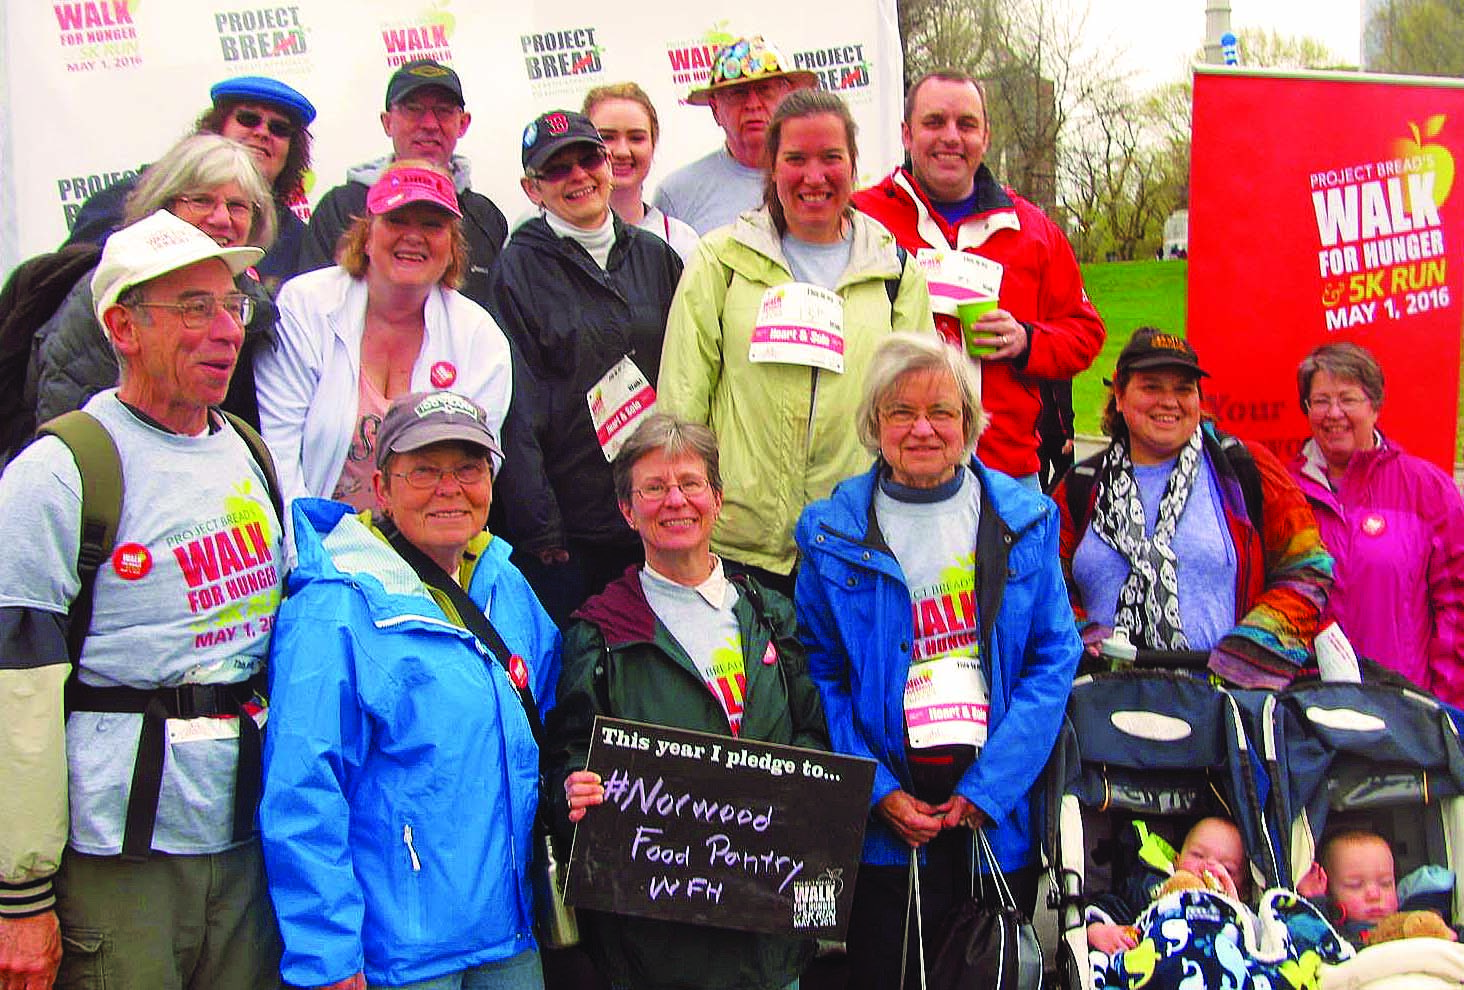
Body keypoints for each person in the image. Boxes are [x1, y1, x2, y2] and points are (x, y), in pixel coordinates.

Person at [0, 210, 285, 989]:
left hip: (242, 846)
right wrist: (20, 898)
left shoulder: (248, 453)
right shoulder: (59, 472)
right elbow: (15, 698)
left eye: (235, 305)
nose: (227, 330)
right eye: (196, 308)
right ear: (123, 326)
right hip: (116, 860)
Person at [794, 333, 1082, 989]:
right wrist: (877, 792)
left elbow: (1053, 660)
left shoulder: (1026, 520)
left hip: (992, 822)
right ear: (875, 423)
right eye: (901, 412)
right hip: (886, 829)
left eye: (941, 412)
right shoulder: (828, 532)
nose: (922, 428)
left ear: (968, 424)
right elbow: (820, 675)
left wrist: (990, 790)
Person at [260, 390, 559, 990]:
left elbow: (551, 722)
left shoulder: (506, 586)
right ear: (381, 487)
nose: (450, 488)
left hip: (511, 940)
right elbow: (304, 792)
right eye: (424, 469)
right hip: (400, 961)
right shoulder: (334, 609)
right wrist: (328, 960)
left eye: (469, 468)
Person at [545, 413, 826, 990]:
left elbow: (812, 736)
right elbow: (570, 759)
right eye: (653, 487)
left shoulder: (771, 615)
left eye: (690, 483)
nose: (675, 500)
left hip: (768, 937)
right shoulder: (598, 633)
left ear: (717, 499)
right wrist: (574, 786)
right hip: (658, 946)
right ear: (628, 510)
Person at [658, 89, 933, 597]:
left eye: (831, 158)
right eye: (796, 159)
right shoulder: (720, 260)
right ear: (772, 167)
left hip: (855, 542)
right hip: (739, 548)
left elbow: (917, 409)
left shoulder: (894, 270)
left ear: (854, 165)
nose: (814, 176)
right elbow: (681, 405)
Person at [852, 69, 1105, 488]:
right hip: (883, 470)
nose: (951, 137)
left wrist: (1027, 340)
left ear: (985, 137)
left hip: (1003, 472)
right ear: (906, 134)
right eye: (934, 122)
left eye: (966, 124)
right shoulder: (861, 219)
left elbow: (1085, 333)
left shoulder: (1032, 230)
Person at [1052, 328, 1333, 689]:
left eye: (1183, 389)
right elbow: (1047, 584)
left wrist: (1247, 653)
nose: (1169, 401)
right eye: (1151, 387)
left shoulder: (1246, 471)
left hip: (1222, 711)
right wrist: (1085, 639)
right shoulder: (1080, 484)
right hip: (1102, 708)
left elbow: (1307, 568)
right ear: (1119, 396)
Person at [488, 110, 682, 625]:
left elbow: (688, 377)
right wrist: (540, 528)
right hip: (571, 535)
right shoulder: (517, 269)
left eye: (587, 158)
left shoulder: (656, 256)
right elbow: (516, 406)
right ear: (533, 188)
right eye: (557, 169)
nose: (578, 176)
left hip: (656, 513)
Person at [256, 160, 513, 510]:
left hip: (428, 545)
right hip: (314, 541)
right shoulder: (306, 305)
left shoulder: (480, 337)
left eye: (432, 224)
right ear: (366, 234)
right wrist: (307, 552)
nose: (413, 235)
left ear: (452, 246)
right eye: (396, 220)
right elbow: (279, 450)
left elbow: (477, 467)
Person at [30, 132, 281, 431]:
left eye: (237, 206)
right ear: (163, 206)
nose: (222, 218)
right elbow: (70, 430)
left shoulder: (258, 306)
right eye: (202, 200)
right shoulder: (112, 294)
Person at [1288, 342, 1464, 705]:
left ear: (1375, 404)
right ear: (1306, 408)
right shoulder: (1282, 490)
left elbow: (1457, 605)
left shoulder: (1426, 489)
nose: (1333, 413)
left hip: (1403, 710)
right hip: (1306, 710)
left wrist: (1443, 706)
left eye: (1347, 399)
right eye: (1320, 401)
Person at [62, 75, 315, 290]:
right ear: (217, 126)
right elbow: (75, 291)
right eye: (248, 119)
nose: (262, 132)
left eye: (279, 128)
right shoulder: (125, 200)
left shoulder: (298, 239)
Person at [299, 59, 509, 310]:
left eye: (443, 111)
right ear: (387, 122)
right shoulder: (341, 206)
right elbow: (313, 307)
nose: (430, 124)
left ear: (462, 123)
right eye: (413, 109)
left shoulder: (486, 216)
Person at [651, 35, 815, 235]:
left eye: (765, 90)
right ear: (715, 109)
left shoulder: (820, 176)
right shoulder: (676, 194)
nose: (753, 104)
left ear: (788, 98)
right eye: (738, 93)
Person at [1087, 817, 1250, 955]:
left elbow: (1259, 944)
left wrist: (1236, 909)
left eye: (1227, 869)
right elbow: (1111, 906)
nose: (1209, 868)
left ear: (1243, 890)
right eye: (1198, 855)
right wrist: (1098, 931)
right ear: (1176, 860)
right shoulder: (1149, 887)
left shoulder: (1239, 913)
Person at [583, 82, 699, 262]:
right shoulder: (551, 241)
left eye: (636, 138)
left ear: (653, 145)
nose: (622, 151)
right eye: (606, 137)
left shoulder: (681, 241)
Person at [1298, 830, 1459, 946]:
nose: (1374, 895)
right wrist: (1315, 900)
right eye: (1355, 885)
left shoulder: (1410, 920)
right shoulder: (1332, 929)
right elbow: (1313, 936)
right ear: (1329, 891)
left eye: (1385, 883)